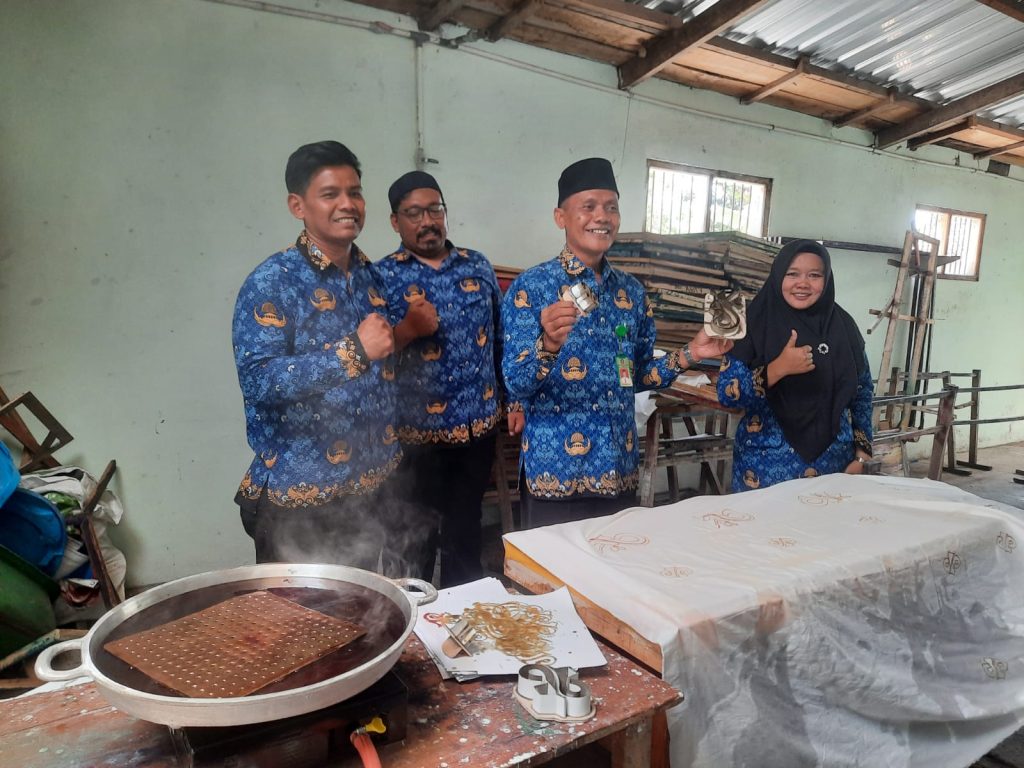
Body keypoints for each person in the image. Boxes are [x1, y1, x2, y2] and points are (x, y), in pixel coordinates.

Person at [501, 157, 732, 529]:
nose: (602, 217)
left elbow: (637, 375)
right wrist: (548, 345)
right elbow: (516, 382)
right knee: (552, 569)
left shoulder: (631, 293)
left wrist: (693, 352)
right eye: (588, 206)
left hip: (617, 471)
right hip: (556, 476)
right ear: (561, 217)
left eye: (611, 207)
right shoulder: (531, 287)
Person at [231, 141, 426, 568]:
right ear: (297, 206)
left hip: (371, 491)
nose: (347, 204)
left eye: (355, 192)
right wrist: (352, 352)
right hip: (301, 501)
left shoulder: (371, 277)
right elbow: (259, 380)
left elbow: (385, 360)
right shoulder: (273, 282)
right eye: (330, 194)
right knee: (296, 612)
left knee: (364, 605)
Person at [376, 171, 508, 587]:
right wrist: (408, 329)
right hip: (414, 438)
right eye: (414, 213)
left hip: (476, 430)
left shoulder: (477, 265)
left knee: (465, 533)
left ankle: (463, 614)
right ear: (395, 222)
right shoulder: (381, 277)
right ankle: (412, 618)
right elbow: (371, 356)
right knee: (412, 540)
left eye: (435, 210)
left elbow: (501, 338)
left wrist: (511, 402)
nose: (427, 221)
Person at [717, 239, 873, 492]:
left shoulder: (844, 326)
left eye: (814, 275)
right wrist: (777, 368)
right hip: (764, 470)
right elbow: (727, 395)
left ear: (827, 279)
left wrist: (862, 456)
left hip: (835, 466)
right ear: (778, 275)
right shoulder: (752, 323)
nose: (803, 283)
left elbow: (862, 392)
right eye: (792, 274)